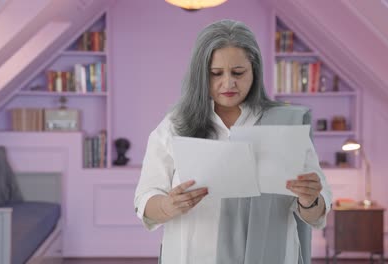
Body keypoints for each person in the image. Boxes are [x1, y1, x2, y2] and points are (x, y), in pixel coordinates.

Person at [134, 19, 332, 264]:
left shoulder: (286, 124)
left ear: (254, 70)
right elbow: (145, 199)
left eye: (238, 72)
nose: (228, 83)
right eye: (216, 74)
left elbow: (317, 213)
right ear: (200, 74)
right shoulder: (174, 125)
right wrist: (168, 205)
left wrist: (309, 198)